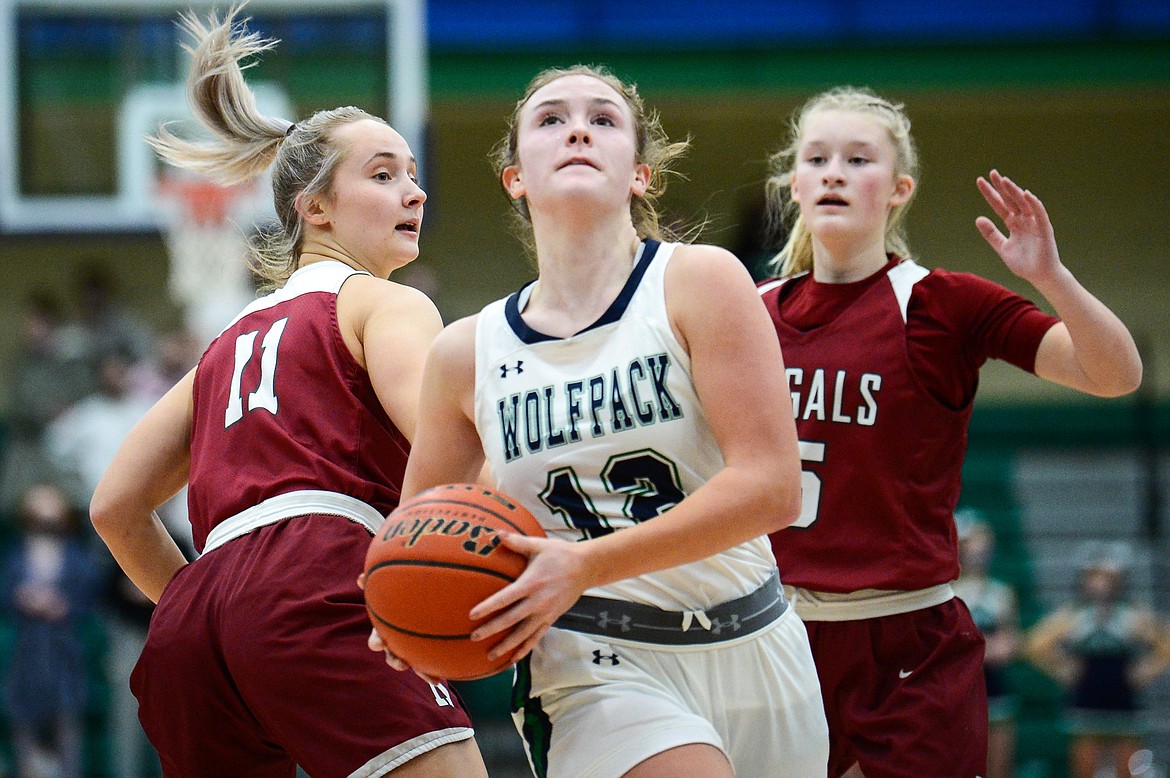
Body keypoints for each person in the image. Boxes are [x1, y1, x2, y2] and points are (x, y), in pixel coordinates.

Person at [368, 64, 829, 778]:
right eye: (550, 119)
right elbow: (417, 532)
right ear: (515, 177)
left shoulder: (699, 281)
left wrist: (583, 564)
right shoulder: (466, 354)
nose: (578, 128)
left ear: (639, 174)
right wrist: (404, 605)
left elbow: (773, 488)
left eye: (603, 119)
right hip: (591, 662)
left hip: (758, 644)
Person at [88, 8, 488, 777]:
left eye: (411, 173)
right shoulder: (381, 303)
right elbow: (447, 450)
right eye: (382, 174)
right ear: (315, 209)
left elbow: (114, 508)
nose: (414, 191)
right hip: (319, 580)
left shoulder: (220, 347)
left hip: (197, 623)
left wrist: (217, 612)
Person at [756, 86, 1143, 778]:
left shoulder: (944, 302)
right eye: (816, 158)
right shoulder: (746, 313)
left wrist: (1050, 277)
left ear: (899, 188)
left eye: (857, 158)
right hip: (776, 634)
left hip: (909, 635)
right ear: (794, 183)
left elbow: (1114, 375)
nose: (834, 172)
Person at [1025, 550, 1170, 778]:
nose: (1100, 584)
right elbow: (1034, 644)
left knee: (1127, 768)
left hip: (1123, 699)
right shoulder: (1073, 616)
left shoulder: (1131, 615)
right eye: (1094, 576)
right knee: (1084, 767)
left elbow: (1165, 644)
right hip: (1087, 698)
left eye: (1106, 577)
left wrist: (1145, 670)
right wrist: (1063, 668)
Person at [1, 482, 100, 778]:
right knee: (26, 744)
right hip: (27, 658)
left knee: (68, 744)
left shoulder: (77, 556)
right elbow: (6, 592)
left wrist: (63, 606)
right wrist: (24, 598)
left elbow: (88, 594)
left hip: (64, 660)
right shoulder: (15, 555)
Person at [953, 510, 1021, 778]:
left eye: (983, 543)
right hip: (959, 690)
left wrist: (999, 648)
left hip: (995, 688)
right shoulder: (945, 590)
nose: (978, 551)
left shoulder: (1001, 593)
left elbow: (1011, 643)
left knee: (998, 766)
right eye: (971, 543)